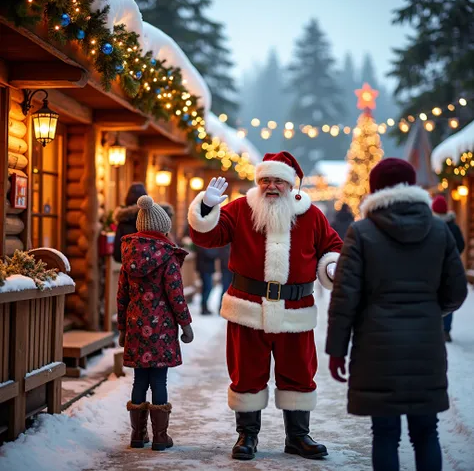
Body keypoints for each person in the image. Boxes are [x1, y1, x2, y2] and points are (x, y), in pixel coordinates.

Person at [187, 151, 343, 461]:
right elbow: (208, 236)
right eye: (265, 180)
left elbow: (332, 247)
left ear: (290, 184)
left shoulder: (311, 215)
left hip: (295, 309)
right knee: (247, 372)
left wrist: (331, 267)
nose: (271, 186)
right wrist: (206, 206)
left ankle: (298, 436)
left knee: (299, 372)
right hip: (248, 307)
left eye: (278, 181)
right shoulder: (241, 209)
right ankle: (247, 436)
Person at [325, 158, 468, 471]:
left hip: (377, 349)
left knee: (385, 434)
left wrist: (337, 351)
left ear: (374, 190)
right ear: (412, 186)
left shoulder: (361, 232)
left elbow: (344, 298)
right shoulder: (439, 230)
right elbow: (457, 292)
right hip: (425, 347)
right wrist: (430, 312)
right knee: (426, 432)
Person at [117, 195, 194, 451]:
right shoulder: (168, 256)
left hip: (136, 326)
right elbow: (175, 295)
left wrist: (122, 328)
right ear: (163, 227)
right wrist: (186, 324)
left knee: (140, 380)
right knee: (159, 381)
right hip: (161, 329)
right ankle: (160, 437)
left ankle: (137, 436)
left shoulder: (128, 255)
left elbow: (122, 296)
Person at [432, 194, 466, 342]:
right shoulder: (453, 226)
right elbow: (462, 244)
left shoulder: (431, 225)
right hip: (449, 267)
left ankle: (438, 326)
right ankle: (446, 329)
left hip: (435, 266)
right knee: (448, 295)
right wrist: (454, 256)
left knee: (436, 295)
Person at [113, 183, 147, 263]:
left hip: (129, 269)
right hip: (149, 269)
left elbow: (117, 254)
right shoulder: (151, 221)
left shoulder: (123, 220)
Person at [195, 245, 219, 315]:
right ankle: (204, 307)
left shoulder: (205, 243)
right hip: (205, 268)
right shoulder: (202, 244)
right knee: (208, 288)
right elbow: (210, 254)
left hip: (207, 268)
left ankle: (204, 307)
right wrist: (217, 252)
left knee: (206, 288)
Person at [218, 244, 232, 312]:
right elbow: (224, 256)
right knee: (225, 288)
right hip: (226, 269)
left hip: (230, 269)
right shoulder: (225, 244)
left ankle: (227, 307)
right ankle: (222, 307)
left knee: (229, 288)